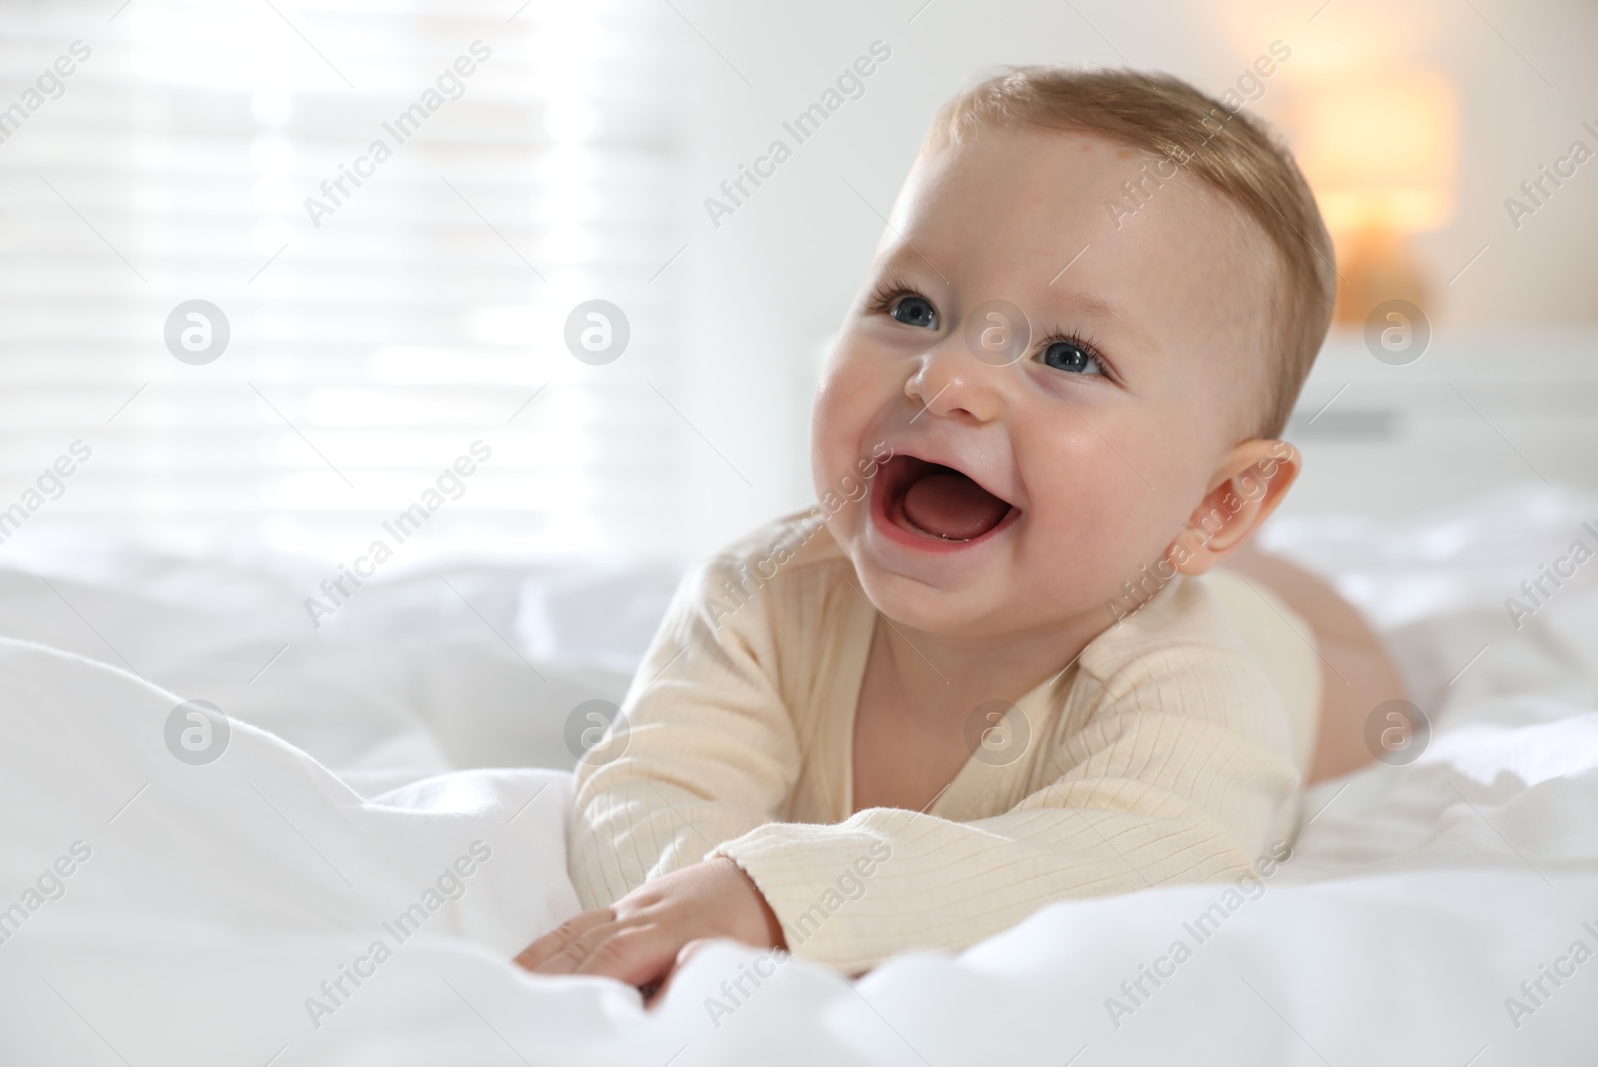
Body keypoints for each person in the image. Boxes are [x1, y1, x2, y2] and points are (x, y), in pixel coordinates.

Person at [515, 66, 1408, 991]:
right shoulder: (758, 598)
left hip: (1286, 646)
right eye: (912, 308)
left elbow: (1131, 860)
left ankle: (1257, 569)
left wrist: (770, 897)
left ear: (1218, 503)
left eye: (1068, 354)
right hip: (1170, 549)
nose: (945, 379)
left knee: (1367, 688)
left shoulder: (1198, 692)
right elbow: (647, 787)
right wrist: (698, 913)